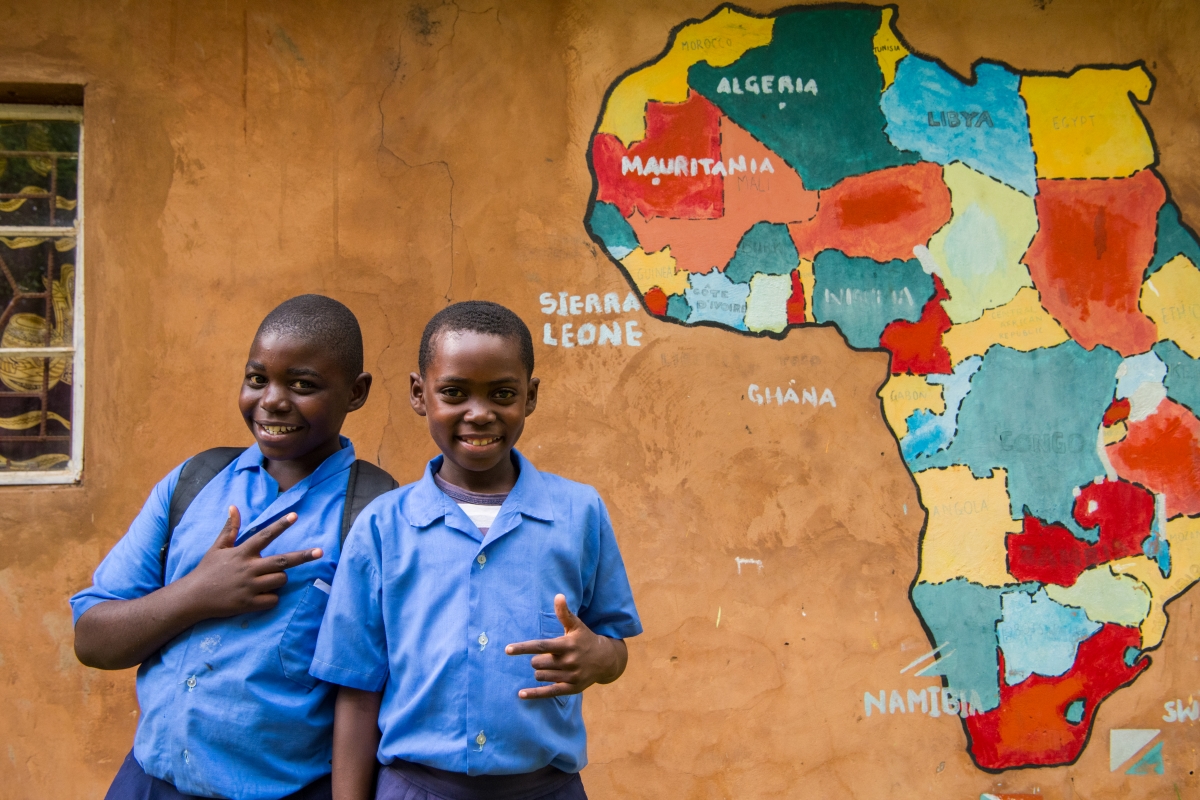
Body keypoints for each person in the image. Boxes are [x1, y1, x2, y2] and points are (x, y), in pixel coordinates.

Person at [313, 300, 642, 800]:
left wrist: (599, 657)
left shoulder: (579, 512)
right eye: (454, 393)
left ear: (530, 397)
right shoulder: (383, 525)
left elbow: (613, 644)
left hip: (546, 788)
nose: (480, 413)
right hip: (414, 786)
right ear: (419, 395)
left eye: (503, 394)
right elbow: (357, 689)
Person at [71, 295, 392, 800]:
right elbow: (91, 639)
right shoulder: (193, 484)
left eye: (303, 385)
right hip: (148, 782)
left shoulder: (376, 516)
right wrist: (195, 594)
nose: (272, 401)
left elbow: (378, 690)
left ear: (356, 392)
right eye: (257, 379)